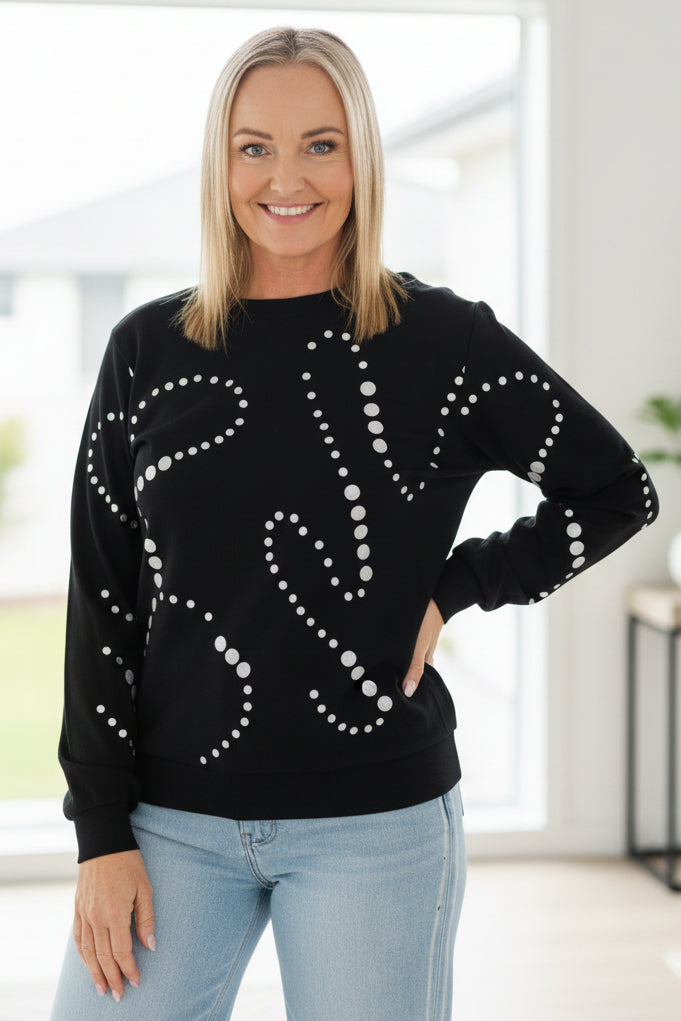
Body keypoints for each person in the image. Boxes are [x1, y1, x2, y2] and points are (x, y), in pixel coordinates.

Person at [50, 24, 659, 1021]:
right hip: (172, 823)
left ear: (362, 156)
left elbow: (616, 491)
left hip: (374, 821)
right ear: (223, 160)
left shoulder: (445, 341)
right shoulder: (144, 350)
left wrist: (453, 590)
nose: (286, 176)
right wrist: (100, 835)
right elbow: (104, 602)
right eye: (255, 146)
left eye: (320, 143)